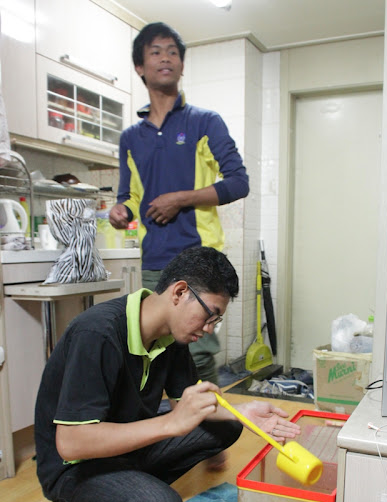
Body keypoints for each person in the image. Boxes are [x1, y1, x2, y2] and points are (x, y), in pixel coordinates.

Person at [34, 247, 300, 502]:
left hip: (122, 447)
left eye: (216, 321)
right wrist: (170, 424)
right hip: (72, 468)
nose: (209, 329)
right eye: (210, 315)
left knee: (227, 426)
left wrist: (243, 413)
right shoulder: (98, 333)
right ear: (179, 292)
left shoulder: (172, 337)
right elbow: (71, 443)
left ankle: (127, 489)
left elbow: (186, 402)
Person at [108, 23, 250, 470]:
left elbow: (238, 182)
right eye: (155, 51)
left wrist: (181, 198)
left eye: (173, 51)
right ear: (140, 66)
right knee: (155, 348)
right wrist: (119, 210)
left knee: (199, 352)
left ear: (182, 65)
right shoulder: (131, 138)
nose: (165, 57)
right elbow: (129, 195)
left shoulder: (205, 122)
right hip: (155, 260)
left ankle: (212, 436)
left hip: (199, 255)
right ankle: (168, 434)